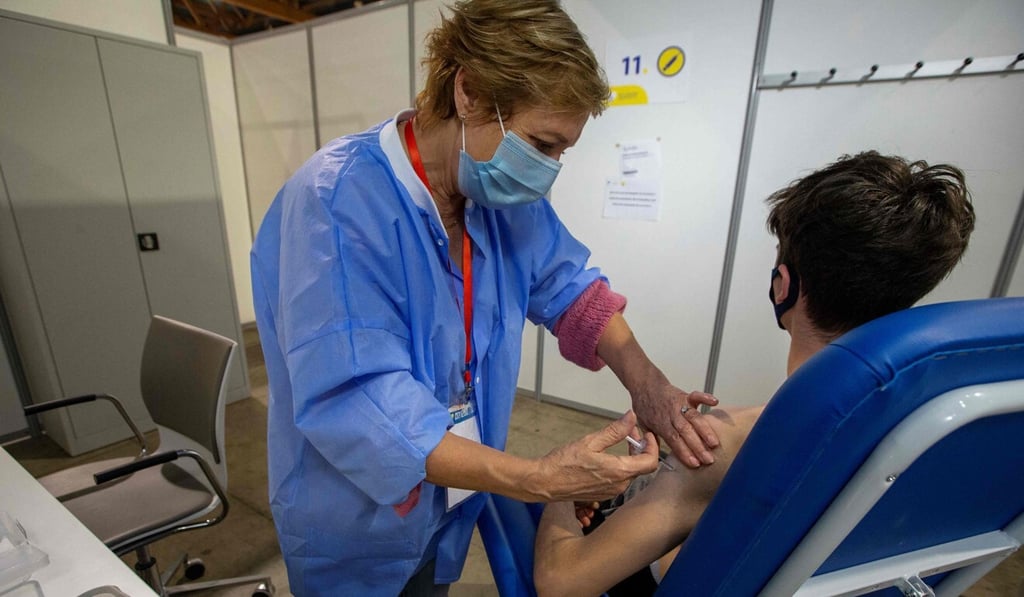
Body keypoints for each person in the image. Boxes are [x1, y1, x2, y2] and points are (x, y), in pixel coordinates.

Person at [250, 1, 719, 594]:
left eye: (562, 153)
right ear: (468, 92)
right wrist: (540, 479)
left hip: (452, 492)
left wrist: (647, 383)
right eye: (541, 144)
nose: (548, 172)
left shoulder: (498, 198)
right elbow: (362, 404)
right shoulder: (338, 203)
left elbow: (572, 291)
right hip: (355, 517)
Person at [534, 151, 976, 597]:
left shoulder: (729, 443)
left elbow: (562, 582)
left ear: (782, 285)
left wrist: (561, 498)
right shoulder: (939, 428)